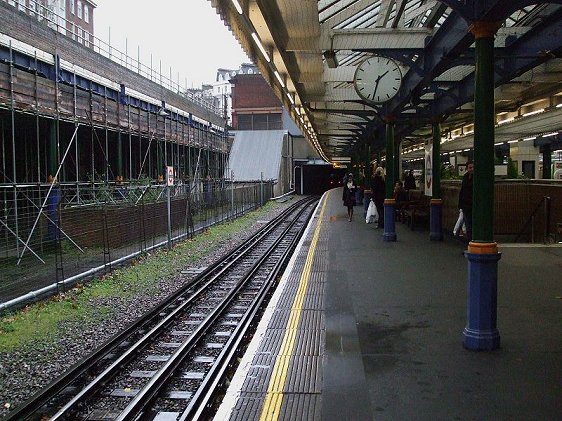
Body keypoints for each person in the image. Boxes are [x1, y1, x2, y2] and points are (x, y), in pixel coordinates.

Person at [458, 161, 474, 241]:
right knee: (468, 225)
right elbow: (462, 191)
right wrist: (460, 204)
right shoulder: (465, 177)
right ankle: (469, 241)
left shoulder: (476, 178)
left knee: (471, 224)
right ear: (467, 169)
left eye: (473, 167)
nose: (471, 169)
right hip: (466, 205)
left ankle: (471, 241)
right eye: (470, 168)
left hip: (473, 205)